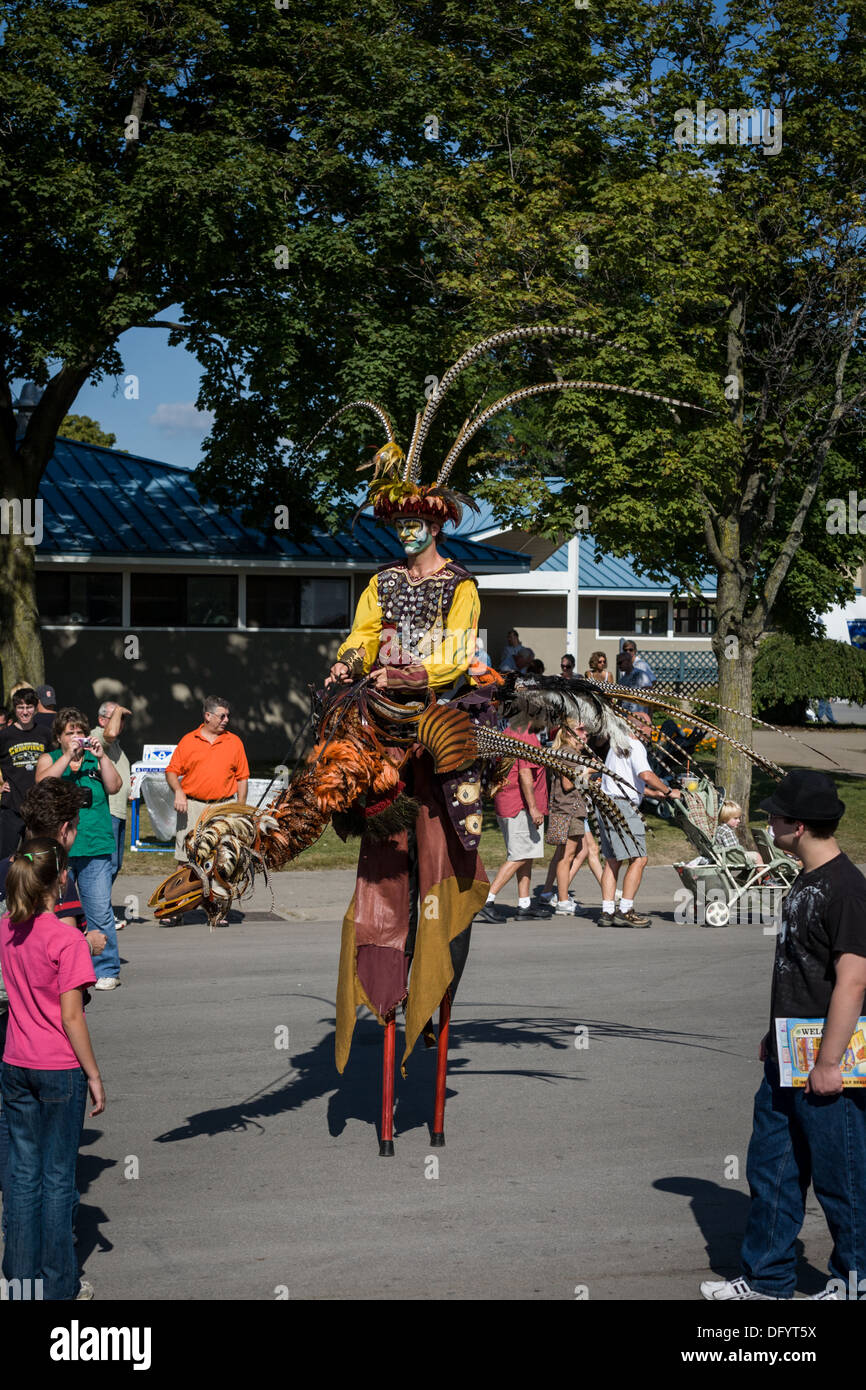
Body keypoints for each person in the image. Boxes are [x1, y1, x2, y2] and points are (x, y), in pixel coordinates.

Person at [701, 770, 866, 1302]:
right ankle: (768, 1279)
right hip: (787, 1054)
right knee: (772, 1168)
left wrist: (829, 1062)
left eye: (774, 815)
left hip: (830, 1061)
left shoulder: (846, 890)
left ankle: (855, 1283)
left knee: (843, 1178)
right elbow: (800, 969)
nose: (767, 821)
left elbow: (853, 980)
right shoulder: (805, 879)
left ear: (798, 825)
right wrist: (773, 1035)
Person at [0, 837, 105, 1300]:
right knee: (58, 1178)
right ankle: (58, 1287)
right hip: (59, 1068)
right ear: (60, 879)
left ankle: (21, 1286)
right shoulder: (67, 940)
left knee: (22, 1177)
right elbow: (71, 1017)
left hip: (14, 1063)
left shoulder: (6, 928)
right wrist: (95, 1075)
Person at [35, 709, 122, 990]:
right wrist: (67, 757)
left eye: (80, 732)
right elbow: (42, 784)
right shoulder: (50, 758)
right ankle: (64, 965)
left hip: (95, 844)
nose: (76, 737)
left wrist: (102, 757)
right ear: (59, 737)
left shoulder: (95, 759)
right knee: (59, 910)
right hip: (59, 847)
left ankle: (106, 968)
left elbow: (115, 786)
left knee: (99, 909)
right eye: (69, 733)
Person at [597, 709, 680, 927]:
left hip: (605, 803)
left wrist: (653, 793)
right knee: (639, 859)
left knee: (613, 860)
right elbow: (645, 775)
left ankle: (607, 911)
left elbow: (626, 780)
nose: (651, 731)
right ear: (639, 727)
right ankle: (625, 910)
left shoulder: (616, 746)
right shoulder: (635, 745)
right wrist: (668, 791)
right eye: (649, 726)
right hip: (622, 807)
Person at [476, 717, 551, 923]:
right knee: (519, 855)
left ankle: (524, 905)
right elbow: (525, 773)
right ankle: (487, 900)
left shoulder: (512, 729)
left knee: (526, 854)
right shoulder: (525, 734)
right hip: (520, 805)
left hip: (508, 801)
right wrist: (533, 807)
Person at [165, 697, 249, 865]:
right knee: (187, 861)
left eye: (228, 716)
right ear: (208, 716)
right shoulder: (188, 740)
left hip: (224, 807)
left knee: (223, 861)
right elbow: (171, 771)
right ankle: (185, 884)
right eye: (222, 716)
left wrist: (239, 809)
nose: (227, 720)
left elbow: (242, 778)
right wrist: (178, 792)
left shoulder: (234, 742)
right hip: (192, 808)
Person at [541, 720, 603, 916]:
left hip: (572, 809)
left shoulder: (571, 752)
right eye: (580, 730)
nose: (585, 734)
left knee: (570, 853)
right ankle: (562, 901)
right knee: (566, 856)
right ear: (568, 732)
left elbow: (576, 782)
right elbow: (568, 784)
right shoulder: (567, 752)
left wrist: (589, 779)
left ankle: (558, 895)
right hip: (568, 810)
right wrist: (589, 770)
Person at [0, 687, 52, 859]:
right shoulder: (5, 736)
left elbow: (55, 762)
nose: (25, 712)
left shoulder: (45, 733)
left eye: (29, 707)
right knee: (6, 859)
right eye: (20, 707)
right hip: (11, 807)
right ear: (15, 709)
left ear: (36, 708)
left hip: (38, 807)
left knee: (36, 858)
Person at [92, 702, 132, 923]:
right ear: (101, 720)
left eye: (123, 718)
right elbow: (111, 732)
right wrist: (119, 710)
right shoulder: (98, 735)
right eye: (116, 716)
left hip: (118, 811)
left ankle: (100, 910)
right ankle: (100, 913)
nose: (121, 722)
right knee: (107, 865)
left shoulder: (115, 744)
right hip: (108, 812)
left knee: (115, 865)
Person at [615, 641, 654, 712]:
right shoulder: (622, 679)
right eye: (625, 650)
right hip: (626, 714)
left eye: (620, 663)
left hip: (639, 714)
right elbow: (620, 700)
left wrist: (650, 713)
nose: (618, 665)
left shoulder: (641, 671)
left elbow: (650, 693)